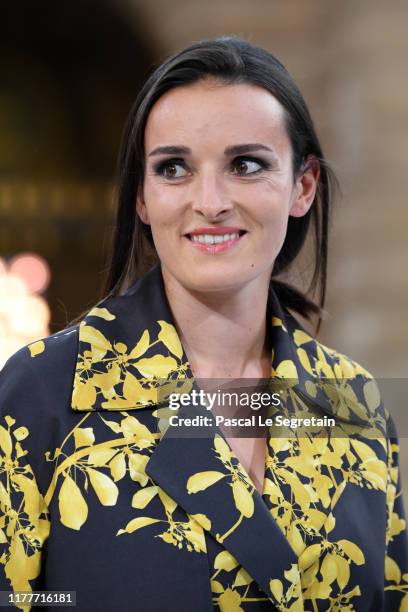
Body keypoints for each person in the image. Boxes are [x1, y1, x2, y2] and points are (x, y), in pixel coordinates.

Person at [0, 36, 407, 612]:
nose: (209, 201)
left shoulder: (355, 405)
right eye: (174, 168)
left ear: (303, 186)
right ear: (142, 197)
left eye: (246, 165)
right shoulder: (44, 393)